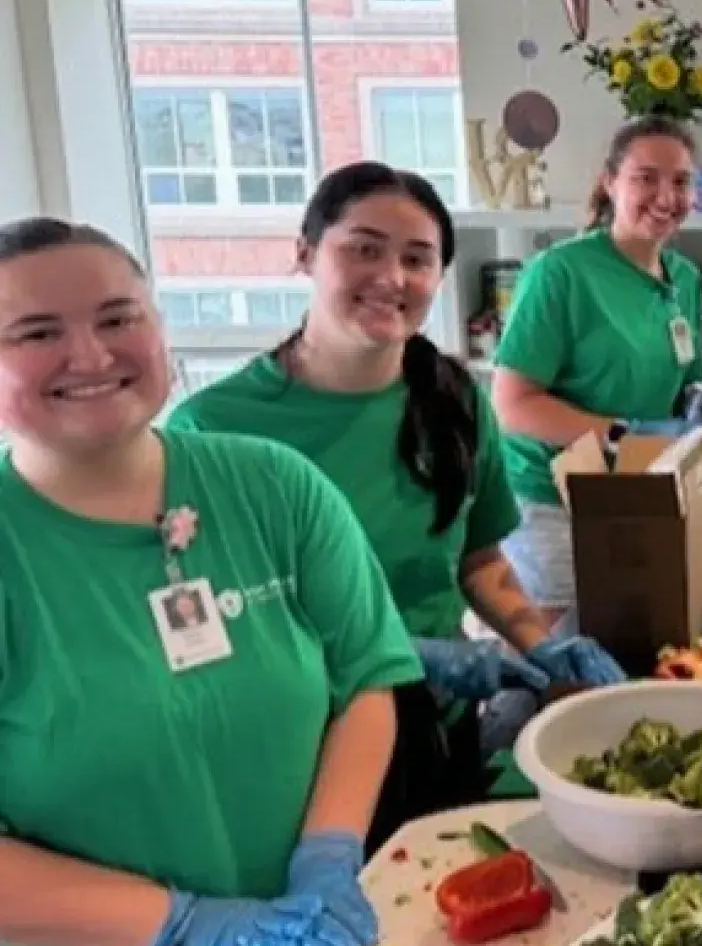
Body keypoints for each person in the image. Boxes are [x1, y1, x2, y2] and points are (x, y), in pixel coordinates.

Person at [166, 162, 625, 845]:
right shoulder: (210, 430)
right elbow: (211, 627)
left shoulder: (455, 401)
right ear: (305, 254)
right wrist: (402, 654)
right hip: (301, 757)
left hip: (437, 730)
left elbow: (478, 561)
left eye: (417, 258)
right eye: (364, 249)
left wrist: (543, 645)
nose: (393, 277)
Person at [0, 217, 423, 946]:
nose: (91, 353)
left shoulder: (275, 486)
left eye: (118, 317)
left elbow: (365, 679)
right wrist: (186, 924)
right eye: (37, 333)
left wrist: (327, 858)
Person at [491, 118, 702, 628]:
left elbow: (684, 389)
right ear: (609, 183)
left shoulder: (685, 278)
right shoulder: (560, 273)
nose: (666, 196)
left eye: (680, 182)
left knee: (630, 632)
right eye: (645, 178)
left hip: (635, 489)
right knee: (562, 647)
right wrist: (621, 434)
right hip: (552, 499)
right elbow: (513, 403)